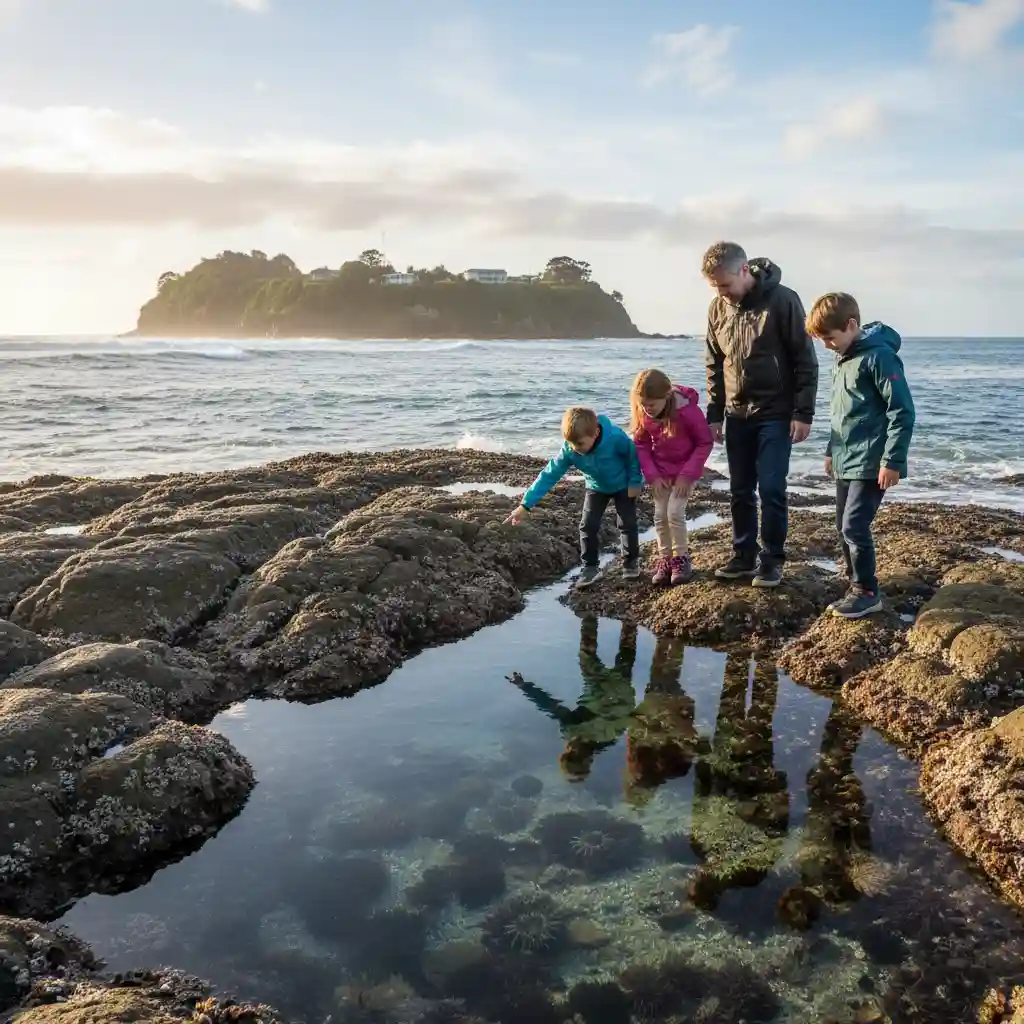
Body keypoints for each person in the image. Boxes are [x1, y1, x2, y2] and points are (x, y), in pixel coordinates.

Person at [701, 241, 819, 588]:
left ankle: (772, 560)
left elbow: (805, 360)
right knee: (739, 490)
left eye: (724, 285)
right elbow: (714, 363)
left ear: (743, 270)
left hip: (776, 414)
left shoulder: (783, 300)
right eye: (715, 288)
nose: (722, 293)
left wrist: (803, 412)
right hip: (736, 414)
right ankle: (743, 556)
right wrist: (714, 413)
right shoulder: (717, 308)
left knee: (770, 488)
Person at [805, 292, 915, 618]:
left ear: (851, 325)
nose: (826, 345)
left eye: (829, 337)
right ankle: (855, 583)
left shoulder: (880, 358)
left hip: (872, 461)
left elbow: (902, 411)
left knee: (855, 525)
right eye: (820, 339)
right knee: (842, 525)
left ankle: (867, 591)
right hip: (845, 458)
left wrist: (892, 461)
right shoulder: (844, 359)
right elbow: (842, 414)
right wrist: (830, 451)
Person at [506, 406, 642, 587]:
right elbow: (550, 474)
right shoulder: (571, 449)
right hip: (596, 487)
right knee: (587, 526)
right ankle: (590, 568)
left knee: (627, 523)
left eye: (579, 444)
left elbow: (633, 458)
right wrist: (525, 505)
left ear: (595, 434)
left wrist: (634, 483)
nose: (575, 449)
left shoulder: (616, 438)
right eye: (570, 444)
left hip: (623, 485)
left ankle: (631, 562)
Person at [506, 618, 638, 782]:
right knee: (586, 655)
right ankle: (590, 614)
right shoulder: (571, 729)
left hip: (623, 692)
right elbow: (549, 705)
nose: (571, 750)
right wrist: (524, 686)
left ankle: (630, 623)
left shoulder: (607, 741)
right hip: (601, 687)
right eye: (572, 755)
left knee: (625, 659)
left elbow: (628, 718)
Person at [630, 368, 714, 585]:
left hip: (686, 471)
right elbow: (641, 444)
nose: (647, 409)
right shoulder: (643, 412)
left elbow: (704, 442)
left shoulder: (687, 411)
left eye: (652, 405)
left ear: (666, 397)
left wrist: (687, 476)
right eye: (643, 404)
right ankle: (665, 559)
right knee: (660, 516)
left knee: (675, 512)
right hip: (661, 473)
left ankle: (681, 558)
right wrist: (653, 476)